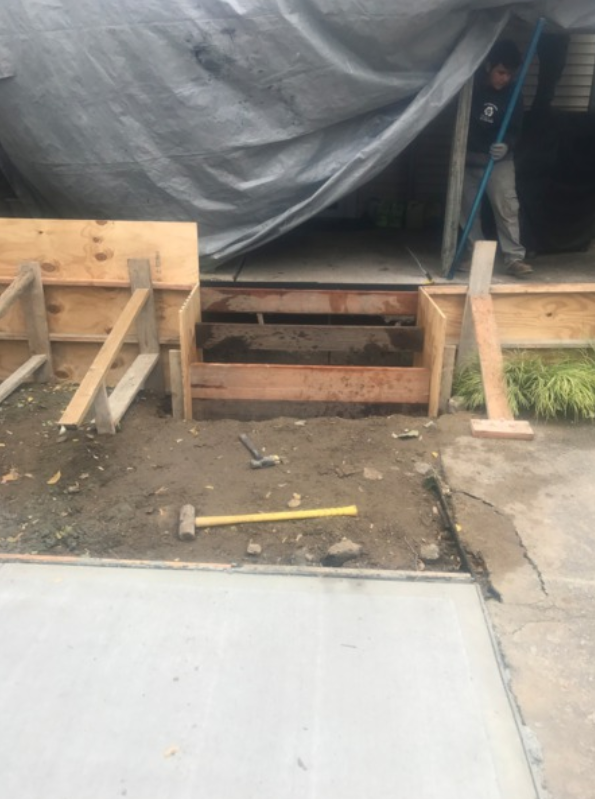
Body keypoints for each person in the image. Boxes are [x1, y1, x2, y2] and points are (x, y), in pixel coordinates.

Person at [461, 39, 532, 278]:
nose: (504, 79)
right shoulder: (470, 87)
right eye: (500, 72)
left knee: (507, 208)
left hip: (499, 162)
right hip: (469, 160)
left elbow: (516, 128)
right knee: (467, 211)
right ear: (489, 65)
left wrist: (507, 144)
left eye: (509, 74)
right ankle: (476, 254)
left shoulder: (514, 93)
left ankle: (514, 258)